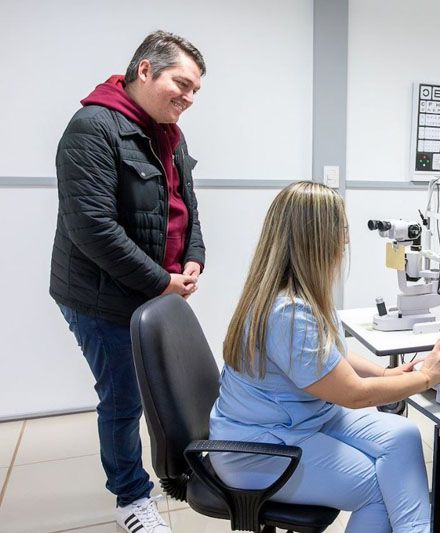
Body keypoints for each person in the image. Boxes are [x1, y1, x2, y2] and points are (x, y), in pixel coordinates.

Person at [209, 181, 440, 533]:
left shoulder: (296, 294)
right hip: (258, 449)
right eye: (342, 229)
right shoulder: (288, 312)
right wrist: (427, 378)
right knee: (377, 489)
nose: (347, 240)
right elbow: (355, 395)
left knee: (402, 434)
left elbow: (327, 355)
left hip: (299, 421)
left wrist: (386, 375)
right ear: (318, 239)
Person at [49, 31, 207, 533]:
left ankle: (178, 471)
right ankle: (131, 498)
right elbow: (92, 228)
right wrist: (161, 281)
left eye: (195, 90)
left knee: (164, 390)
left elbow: (186, 206)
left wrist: (194, 257)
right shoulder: (92, 128)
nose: (188, 97)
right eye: (181, 84)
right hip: (101, 297)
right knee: (123, 399)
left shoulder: (169, 132)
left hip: (157, 289)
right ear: (145, 70)